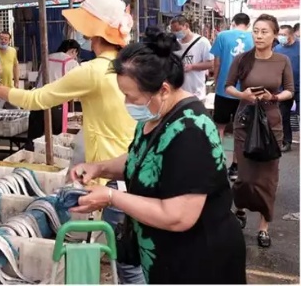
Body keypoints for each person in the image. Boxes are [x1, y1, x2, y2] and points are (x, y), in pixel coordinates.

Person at [0, 0, 144, 284]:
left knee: (128, 265)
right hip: (137, 167)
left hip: (112, 176)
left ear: (93, 34)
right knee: (133, 255)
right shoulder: (133, 66)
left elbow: (37, 99)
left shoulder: (94, 71)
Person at [69, 27, 246, 284]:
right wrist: (99, 168)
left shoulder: (191, 130)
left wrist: (111, 197)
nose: (127, 103)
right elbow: (141, 158)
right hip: (165, 254)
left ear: (163, 90)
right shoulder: (155, 115)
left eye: (131, 96)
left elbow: (178, 216)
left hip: (198, 260)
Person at [225, 14, 294, 248]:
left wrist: (273, 96)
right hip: (245, 122)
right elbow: (227, 86)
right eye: (256, 31)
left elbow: (290, 91)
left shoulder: (282, 60)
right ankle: (240, 209)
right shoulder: (242, 59)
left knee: (267, 178)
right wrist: (242, 95)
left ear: (275, 35)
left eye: (264, 31)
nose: (259, 35)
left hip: (271, 123)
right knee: (244, 177)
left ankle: (264, 226)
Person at [209, 13, 254, 181]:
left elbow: (217, 63)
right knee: (239, 129)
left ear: (233, 23)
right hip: (245, 91)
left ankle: (217, 163)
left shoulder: (222, 36)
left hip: (224, 89)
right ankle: (235, 166)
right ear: (248, 25)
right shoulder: (253, 38)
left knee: (219, 127)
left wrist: (216, 81)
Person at [26, 39, 80, 149]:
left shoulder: (47, 57)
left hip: (38, 99)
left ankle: (30, 156)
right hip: (57, 104)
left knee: (34, 137)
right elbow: (77, 84)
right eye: (76, 54)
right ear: (74, 51)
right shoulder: (72, 63)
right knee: (56, 139)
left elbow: (38, 79)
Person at [169, 16, 214, 101]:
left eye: (178, 30)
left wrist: (192, 67)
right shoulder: (174, 44)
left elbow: (211, 63)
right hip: (177, 95)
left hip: (196, 94)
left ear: (186, 26)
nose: (175, 33)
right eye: (173, 31)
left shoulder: (202, 42)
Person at [275, 24, 300, 152]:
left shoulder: (299, 47)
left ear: (291, 35)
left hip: (299, 87)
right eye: (280, 35)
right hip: (284, 88)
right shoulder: (277, 49)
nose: (281, 37)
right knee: (283, 116)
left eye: (284, 35)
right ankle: (286, 141)